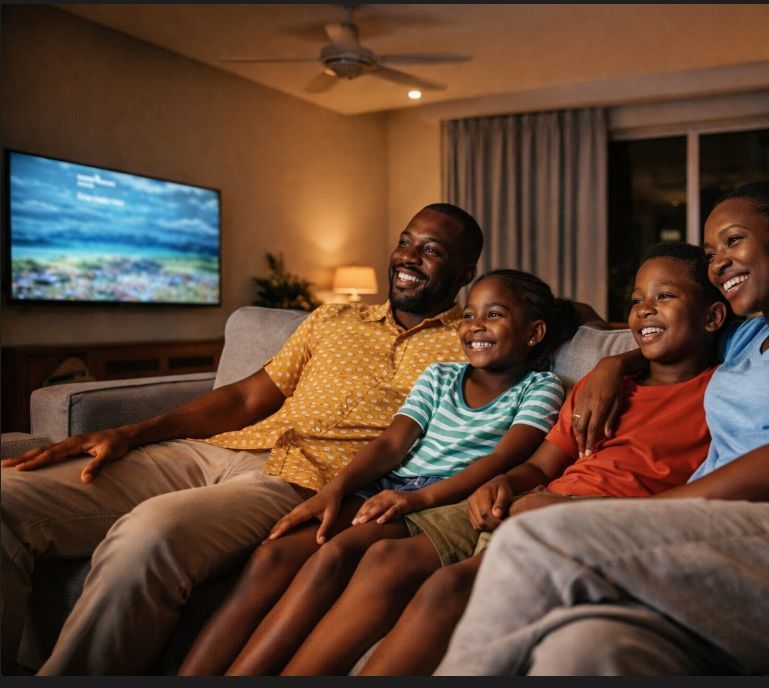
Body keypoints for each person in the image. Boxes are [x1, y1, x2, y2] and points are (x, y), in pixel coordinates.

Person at [434, 181, 769, 676]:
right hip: (731, 542)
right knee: (583, 647)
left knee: (533, 537)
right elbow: (668, 335)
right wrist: (613, 366)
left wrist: (634, 517)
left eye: (733, 241)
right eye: (711, 253)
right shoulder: (745, 336)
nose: (718, 263)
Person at [0, 203, 485, 676]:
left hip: (300, 481)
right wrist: (131, 433)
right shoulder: (333, 319)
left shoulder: (474, 346)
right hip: (217, 449)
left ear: (464, 274)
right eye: (405, 241)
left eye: (431, 250)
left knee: (150, 534)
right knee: (8, 498)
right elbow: (249, 397)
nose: (408, 257)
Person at [267, 241, 729, 676]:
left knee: (447, 589)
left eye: (663, 295)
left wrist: (548, 502)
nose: (643, 309)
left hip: (593, 521)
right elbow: (540, 466)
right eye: (635, 300)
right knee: (384, 556)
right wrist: (507, 482)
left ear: (713, 317)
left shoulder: (723, 394)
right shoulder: (602, 387)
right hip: (533, 501)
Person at [177, 269, 579, 675]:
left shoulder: (540, 387)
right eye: (470, 314)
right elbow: (391, 444)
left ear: (533, 333)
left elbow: (500, 462)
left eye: (493, 315)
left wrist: (416, 499)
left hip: (441, 498)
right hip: (387, 486)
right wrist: (335, 490)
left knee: (334, 554)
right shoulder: (440, 376)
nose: (475, 326)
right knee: (273, 554)